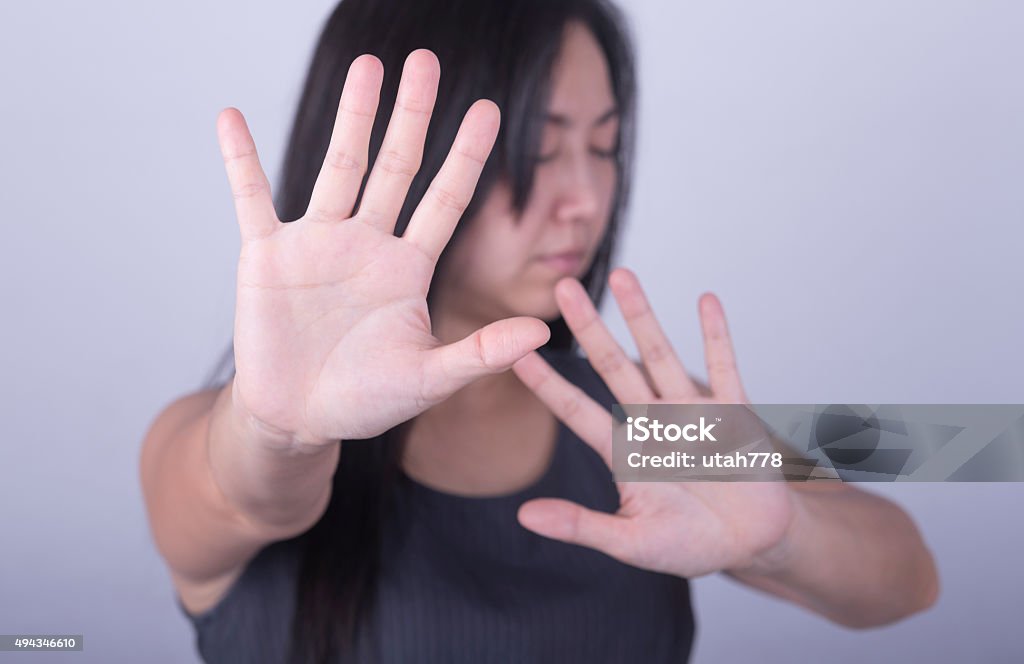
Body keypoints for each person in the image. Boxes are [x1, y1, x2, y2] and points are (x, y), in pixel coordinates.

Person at [139, 0, 939, 662]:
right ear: (408, 153)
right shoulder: (231, 435)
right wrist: (276, 432)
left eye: (605, 145)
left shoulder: (636, 420)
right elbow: (244, 496)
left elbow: (910, 578)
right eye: (540, 148)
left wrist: (783, 536)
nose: (587, 198)